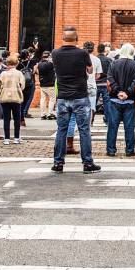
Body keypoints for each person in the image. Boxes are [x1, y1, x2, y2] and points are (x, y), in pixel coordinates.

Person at [50, 27, 101, 173]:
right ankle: (87, 163)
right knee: (84, 130)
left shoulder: (55, 53)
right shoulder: (83, 53)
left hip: (62, 97)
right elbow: (90, 70)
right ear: (76, 39)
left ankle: (58, 163)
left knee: (62, 130)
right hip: (80, 96)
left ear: (63, 38)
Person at [105, 43, 135, 157]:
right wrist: (127, 93)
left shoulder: (113, 64)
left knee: (112, 126)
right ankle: (130, 150)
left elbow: (110, 79)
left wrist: (118, 91)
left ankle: (111, 150)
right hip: (129, 100)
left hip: (115, 99)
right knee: (129, 127)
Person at [66, 41, 103, 145]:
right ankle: (88, 129)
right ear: (93, 49)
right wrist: (92, 77)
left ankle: (73, 133)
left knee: (74, 112)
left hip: (79, 86)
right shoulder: (97, 59)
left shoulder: (78, 58)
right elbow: (98, 75)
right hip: (92, 86)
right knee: (90, 108)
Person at [0, 56, 25, 144]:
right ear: (16, 64)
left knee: (6, 118)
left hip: (5, 97)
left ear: (7, 63)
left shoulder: (3, 74)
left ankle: (7, 138)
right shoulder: (19, 73)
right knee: (17, 118)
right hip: (16, 97)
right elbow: (22, 86)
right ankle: (16, 138)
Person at [36, 50, 56, 119]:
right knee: (52, 98)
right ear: (49, 56)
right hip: (50, 84)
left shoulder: (39, 64)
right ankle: (50, 113)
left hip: (42, 83)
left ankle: (43, 114)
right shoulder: (50, 64)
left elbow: (37, 72)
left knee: (43, 99)